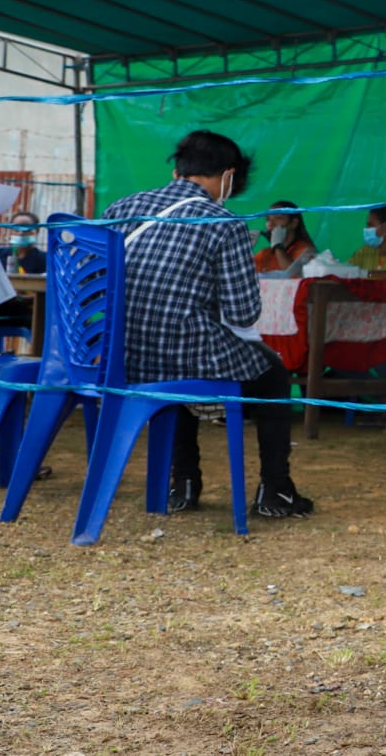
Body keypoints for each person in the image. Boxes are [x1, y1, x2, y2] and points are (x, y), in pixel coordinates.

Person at [103, 130, 313, 519]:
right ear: (229, 176)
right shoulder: (224, 223)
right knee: (272, 372)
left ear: (177, 171)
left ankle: (182, 482)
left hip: (119, 359)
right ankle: (276, 489)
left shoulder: (121, 208)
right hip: (182, 360)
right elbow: (243, 313)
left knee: (179, 356)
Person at [253, 201, 316, 273]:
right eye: (268, 219)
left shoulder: (306, 250)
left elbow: (295, 274)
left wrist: (278, 246)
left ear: (294, 223)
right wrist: (245, 250)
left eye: (278, 218)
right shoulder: (264, 254)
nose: (270, 223)